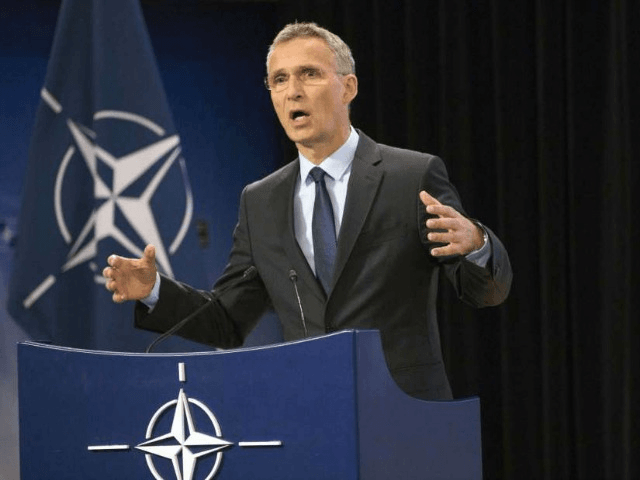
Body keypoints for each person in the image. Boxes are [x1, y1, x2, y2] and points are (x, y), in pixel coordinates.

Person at [103, 22, 512, 400]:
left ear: (348, 87)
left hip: (404, 407)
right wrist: (155, 290)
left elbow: (485, 292)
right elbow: (227, 321)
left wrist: (476, 244)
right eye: (279, 80)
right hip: (309, 409)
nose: (292, 91)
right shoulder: (260, 200)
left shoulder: (411, 175)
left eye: (309, 74)